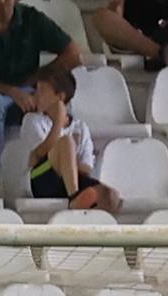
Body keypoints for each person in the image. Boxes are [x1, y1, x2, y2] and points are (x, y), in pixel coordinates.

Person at [0, 0, 81, 187]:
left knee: (56, 100)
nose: (3, 2)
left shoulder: (32, 18)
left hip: (28, 90)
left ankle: (62, 172)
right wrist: (11, 91)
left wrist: (37, 78)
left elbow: (73, 54)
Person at [22, 68, 121, 211]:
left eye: (41, 90)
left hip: (68, 182)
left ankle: (93, 217)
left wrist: (68, 165)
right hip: (39, 180)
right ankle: (74, 197)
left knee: (110, 195)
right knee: (66, 143)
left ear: (60, 97)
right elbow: (39, 155)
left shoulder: (81, 127)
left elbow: (86, 168)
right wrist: (58, 122)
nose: (36, 95)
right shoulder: (32, 120)